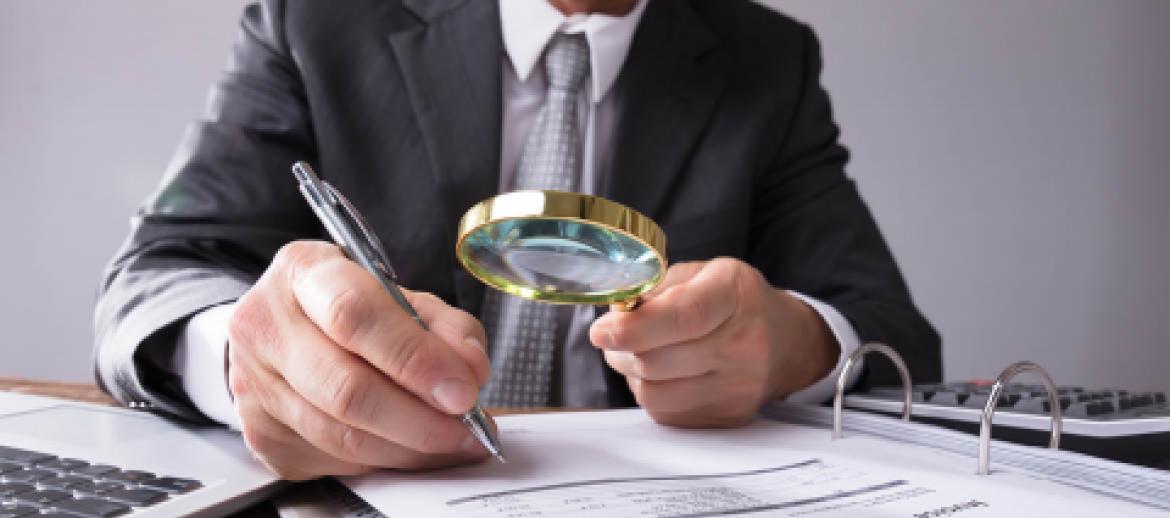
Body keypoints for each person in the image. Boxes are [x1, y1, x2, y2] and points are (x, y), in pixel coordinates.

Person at [94, 0, 940, 480]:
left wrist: (793, 345)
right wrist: (253, 360)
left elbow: (895, 333)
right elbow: (158, 273)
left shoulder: (768, 58)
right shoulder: (317, 16)